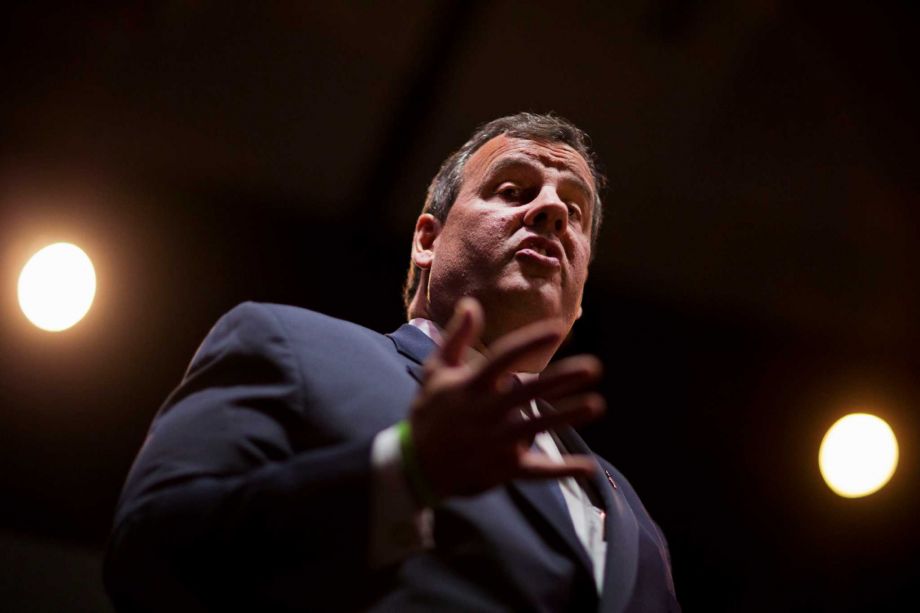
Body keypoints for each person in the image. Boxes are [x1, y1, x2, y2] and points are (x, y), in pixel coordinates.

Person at [104, 113, 680, 612]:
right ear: (426, 239)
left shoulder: (631, 509)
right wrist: (405, 473)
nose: (552, 209)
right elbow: (152, 548)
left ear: (579, 298)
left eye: (574, 212)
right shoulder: (288, 345)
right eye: (512, 190)